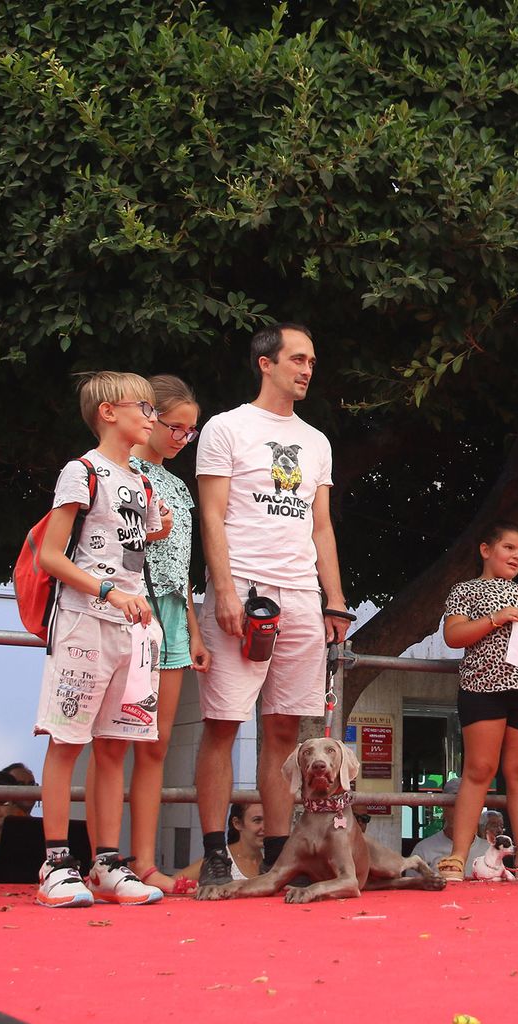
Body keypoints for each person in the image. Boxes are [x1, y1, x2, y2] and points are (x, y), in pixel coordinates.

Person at [194, 322, 352, 893]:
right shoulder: (225, 428)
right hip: (245, 587)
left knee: (286, 726)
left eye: (313, 361)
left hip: (303, 593)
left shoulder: (317, 441)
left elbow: (322, 525)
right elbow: (211, 515)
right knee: (223, 721)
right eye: (298, 359)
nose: (308, 369)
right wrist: (227, 589)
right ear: (266, 363)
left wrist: (334, 600)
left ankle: (282, 857)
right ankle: (215, 851)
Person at [29, 371, 166, 908]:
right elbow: (51, 555)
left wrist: (158, 530)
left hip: (133, 626)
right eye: (144, 407)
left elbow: (142, 536)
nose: (152, 418)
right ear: (108, 412)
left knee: (116, 745)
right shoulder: (80, 471)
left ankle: (108, 862)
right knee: (68, 741)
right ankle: (56, 861)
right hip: (86, 622)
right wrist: (109, 591)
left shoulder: (142, 478)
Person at [109, 373, 210, 896]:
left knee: (155, 741)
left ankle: (144, 862)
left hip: (171, 613)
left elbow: (182, 567)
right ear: (148, 417)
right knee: (112, 738)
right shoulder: (119, 473)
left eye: (190, 432)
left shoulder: (178, 485)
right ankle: (105, 858)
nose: (180, 438)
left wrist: (193, 629)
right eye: (174, 426)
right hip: (125, 607)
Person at [438, 520, 518, 882]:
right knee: (479, 769)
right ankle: (458, 856)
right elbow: (453, 635)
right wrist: (494, 619)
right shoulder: (465, 590)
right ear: (486, 550)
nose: (516, 556)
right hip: (482, 686)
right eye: (509, 547)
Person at [411, 807, 496, 869]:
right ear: (444, 809)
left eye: (468, 802)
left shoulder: (490, 849)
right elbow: (412, 890)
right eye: (453, 804)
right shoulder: (423, 849)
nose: (461, 808)